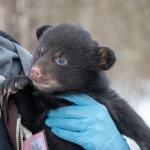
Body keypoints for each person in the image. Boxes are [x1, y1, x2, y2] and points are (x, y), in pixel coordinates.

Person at [0, 31, 130, 150]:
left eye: (61, 61)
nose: (36, 67)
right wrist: (23, 92)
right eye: (40, 55)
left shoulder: (19, 60)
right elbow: (32, 122)